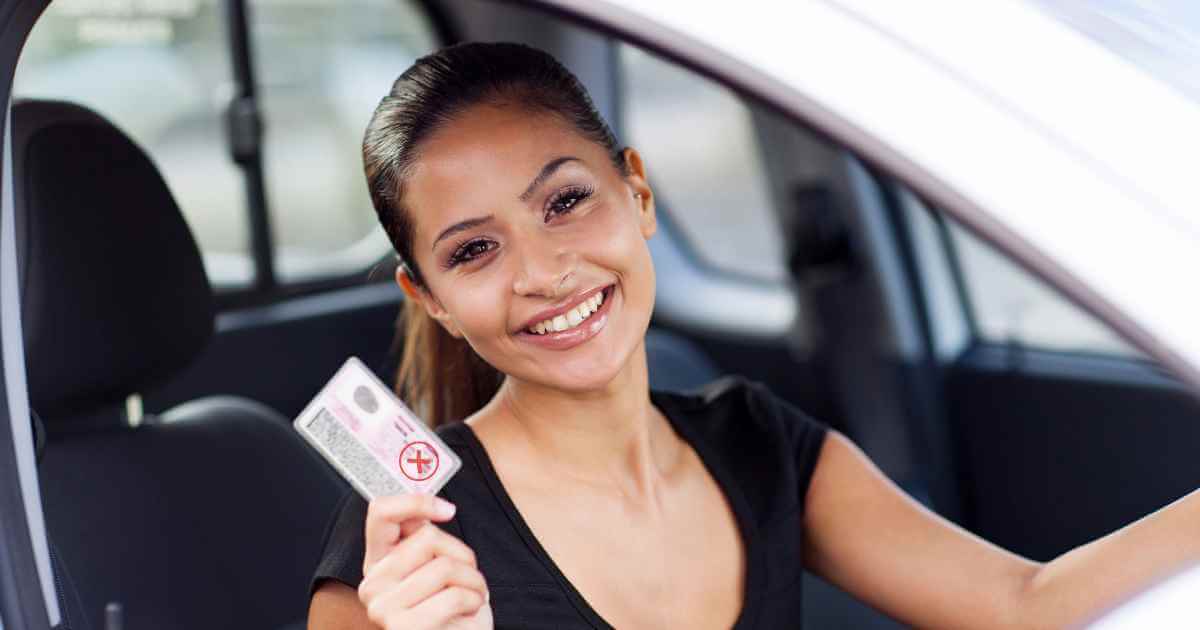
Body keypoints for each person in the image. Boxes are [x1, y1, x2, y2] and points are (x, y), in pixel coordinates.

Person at [306, 42, 1200, 630]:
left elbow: (1023, 606)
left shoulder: (760, 443)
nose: (542, 272)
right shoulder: (410, 545)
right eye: (476, 251)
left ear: (639, 195)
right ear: (432, 300)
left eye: (566, 201)